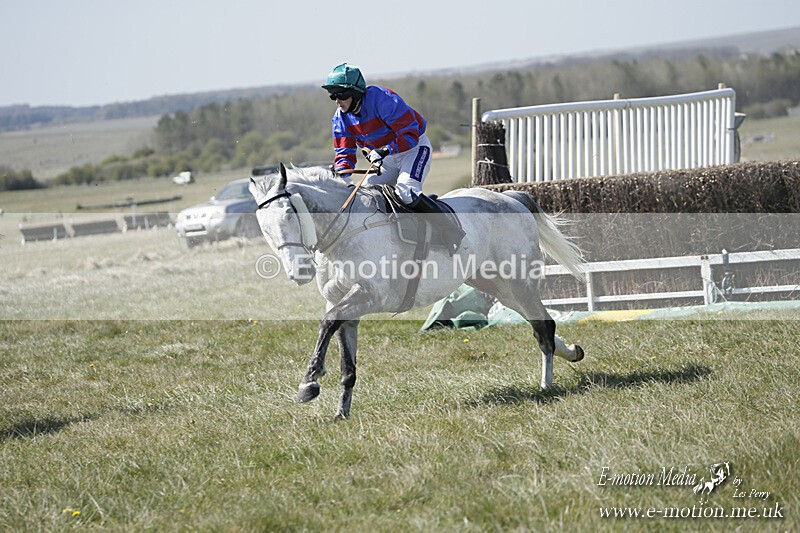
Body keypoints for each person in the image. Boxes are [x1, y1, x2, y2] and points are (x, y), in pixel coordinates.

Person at [322, 62, 464, 253]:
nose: (337, 101)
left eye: (340, 95)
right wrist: (341, 173)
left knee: (406, 192)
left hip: (413, 149)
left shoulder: (383, 99)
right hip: (385, 159)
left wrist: (385, 150)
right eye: (333, 96)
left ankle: (451, 231)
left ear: (355, 93)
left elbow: (410, 135)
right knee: (366, 198)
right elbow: (344, 154)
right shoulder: (340, 118)